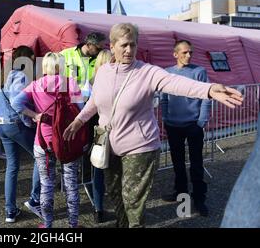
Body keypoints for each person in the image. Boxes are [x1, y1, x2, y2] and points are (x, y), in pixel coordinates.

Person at [63, 23, 243, 228]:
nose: (129, 50)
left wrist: (209, 90)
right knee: (116, 196)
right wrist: (79, 121)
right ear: (111, 46)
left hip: (140, 147)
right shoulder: (103, 72)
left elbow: (176, 83)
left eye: (133, 45)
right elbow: (95, 101)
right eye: (123, 45)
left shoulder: (147, 72)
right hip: (109, 146)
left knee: (132, 200)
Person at [12, 52, 84, 228]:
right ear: (60, 65)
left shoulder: (35, 85)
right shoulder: (71, 83)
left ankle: (48, 225)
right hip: (68, 139)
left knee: (46, 185)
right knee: (71, 184)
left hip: (43, 141)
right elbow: (81, 110)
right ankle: (73, 225)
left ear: (45, 66)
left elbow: (16, 103)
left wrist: (35, 115)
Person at [160, 40, 212, 217]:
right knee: (178, 163)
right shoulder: (167, 73)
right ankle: (181, 194)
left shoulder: (199, 72)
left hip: (193, 125)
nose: (188, 55)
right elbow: (163, 97)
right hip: (173, 125)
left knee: (196, 163)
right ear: (175, 54)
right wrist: (166, 117)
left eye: (190, 52)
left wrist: (201, 121)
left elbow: (206, 97)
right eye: (184, 52)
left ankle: (199, 199)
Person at [60, 31, 106, 223]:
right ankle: (75, 193)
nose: (100, 51)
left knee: (98, 155)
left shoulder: (101, 58)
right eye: (98, 47)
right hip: (76, 113)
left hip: (97, 114)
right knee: (76, 152)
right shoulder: (66, 55)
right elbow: (58, 81)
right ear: (88, 44)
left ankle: (98, 203)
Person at [0, 46, 41, 223]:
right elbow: (17, 104)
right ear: (28, 58)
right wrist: (33, 119)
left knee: (12, 166)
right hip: (15, 124)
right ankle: (35, 200)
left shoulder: (3, 75)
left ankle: (10, 211)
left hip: (1, 124)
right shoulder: (20, 76)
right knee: (40, 156)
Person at [90, 48, 114, 223]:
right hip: (117, 128)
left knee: (98, 168)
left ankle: (98, 209)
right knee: (118, 169)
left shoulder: (91, 82)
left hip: (98, 130)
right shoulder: (118, 80)